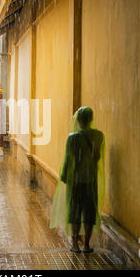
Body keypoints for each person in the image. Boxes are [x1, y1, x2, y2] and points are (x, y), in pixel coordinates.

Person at [50, 106, 105, 253]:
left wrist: (63, 177)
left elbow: (68, 159)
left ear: (78, 120)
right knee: (89, 212)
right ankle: (86, 245)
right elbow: (98, 157)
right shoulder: (99, 136)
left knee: (74, 211)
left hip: (75, 180)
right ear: (91, 119)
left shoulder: (72, 138)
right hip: (91, 180)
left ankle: (75, 244)